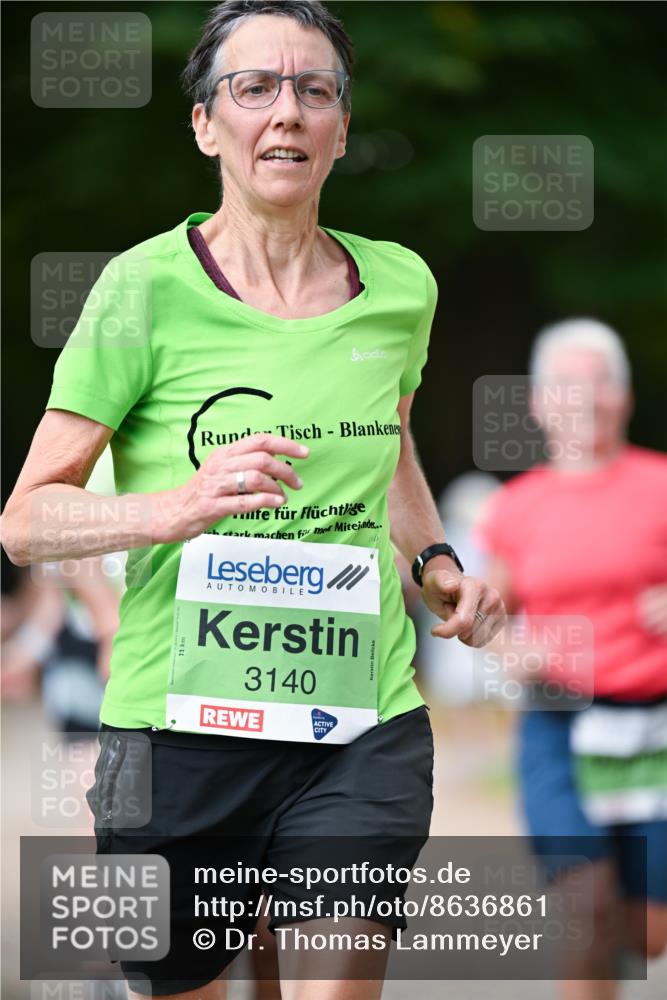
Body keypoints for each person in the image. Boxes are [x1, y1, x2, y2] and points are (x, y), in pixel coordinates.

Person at [1, 2, 505, 997]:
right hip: (179, 729)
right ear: (205, 124)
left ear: (341, 130)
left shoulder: (400, 287)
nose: (287, 111)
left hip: (356, 716)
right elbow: (25, 521)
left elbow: (389, 441)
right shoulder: (140, 290)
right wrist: (174, 507)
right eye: (255, 88)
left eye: (315, 90)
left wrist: (434, 559)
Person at [477, 318, 667, 999]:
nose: (584, 397)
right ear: (537, 403)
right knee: (585, 906)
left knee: (646, 934)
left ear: (625, 396)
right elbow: (487, 614)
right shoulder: (515, 506)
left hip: (655, 727)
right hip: (559, 723)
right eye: (566, 384)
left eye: (600, 381)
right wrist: (509, 648)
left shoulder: (660, 483)